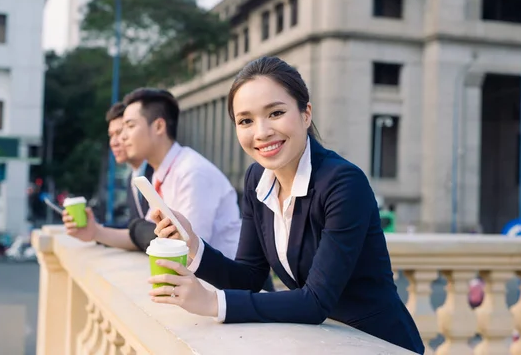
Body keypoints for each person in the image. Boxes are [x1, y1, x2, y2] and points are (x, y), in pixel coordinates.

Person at [148, 57, 425, 353]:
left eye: (276, 113)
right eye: (245, 121)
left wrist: (211, 302)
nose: (262, 132)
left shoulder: (343, 183)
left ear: (306, 114)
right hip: (322, 343)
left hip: (378, 343)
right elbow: (249, 276)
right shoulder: (257, 179)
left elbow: (315, 301)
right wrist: (191, 242)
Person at [63, 88, 241, 259]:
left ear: (158, 126)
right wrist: (94, 232)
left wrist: (140, 229)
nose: (123, 137)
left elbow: (188, 251)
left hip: (231, 287)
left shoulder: (192, 173)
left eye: (129, 126)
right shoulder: (161, 173)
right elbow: (145, 238)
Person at [105, 102, 154, 227]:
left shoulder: (158, 174)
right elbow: (134, 226)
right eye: (111, 135)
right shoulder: (131, 178)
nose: (114, 142)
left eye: (119, 132)